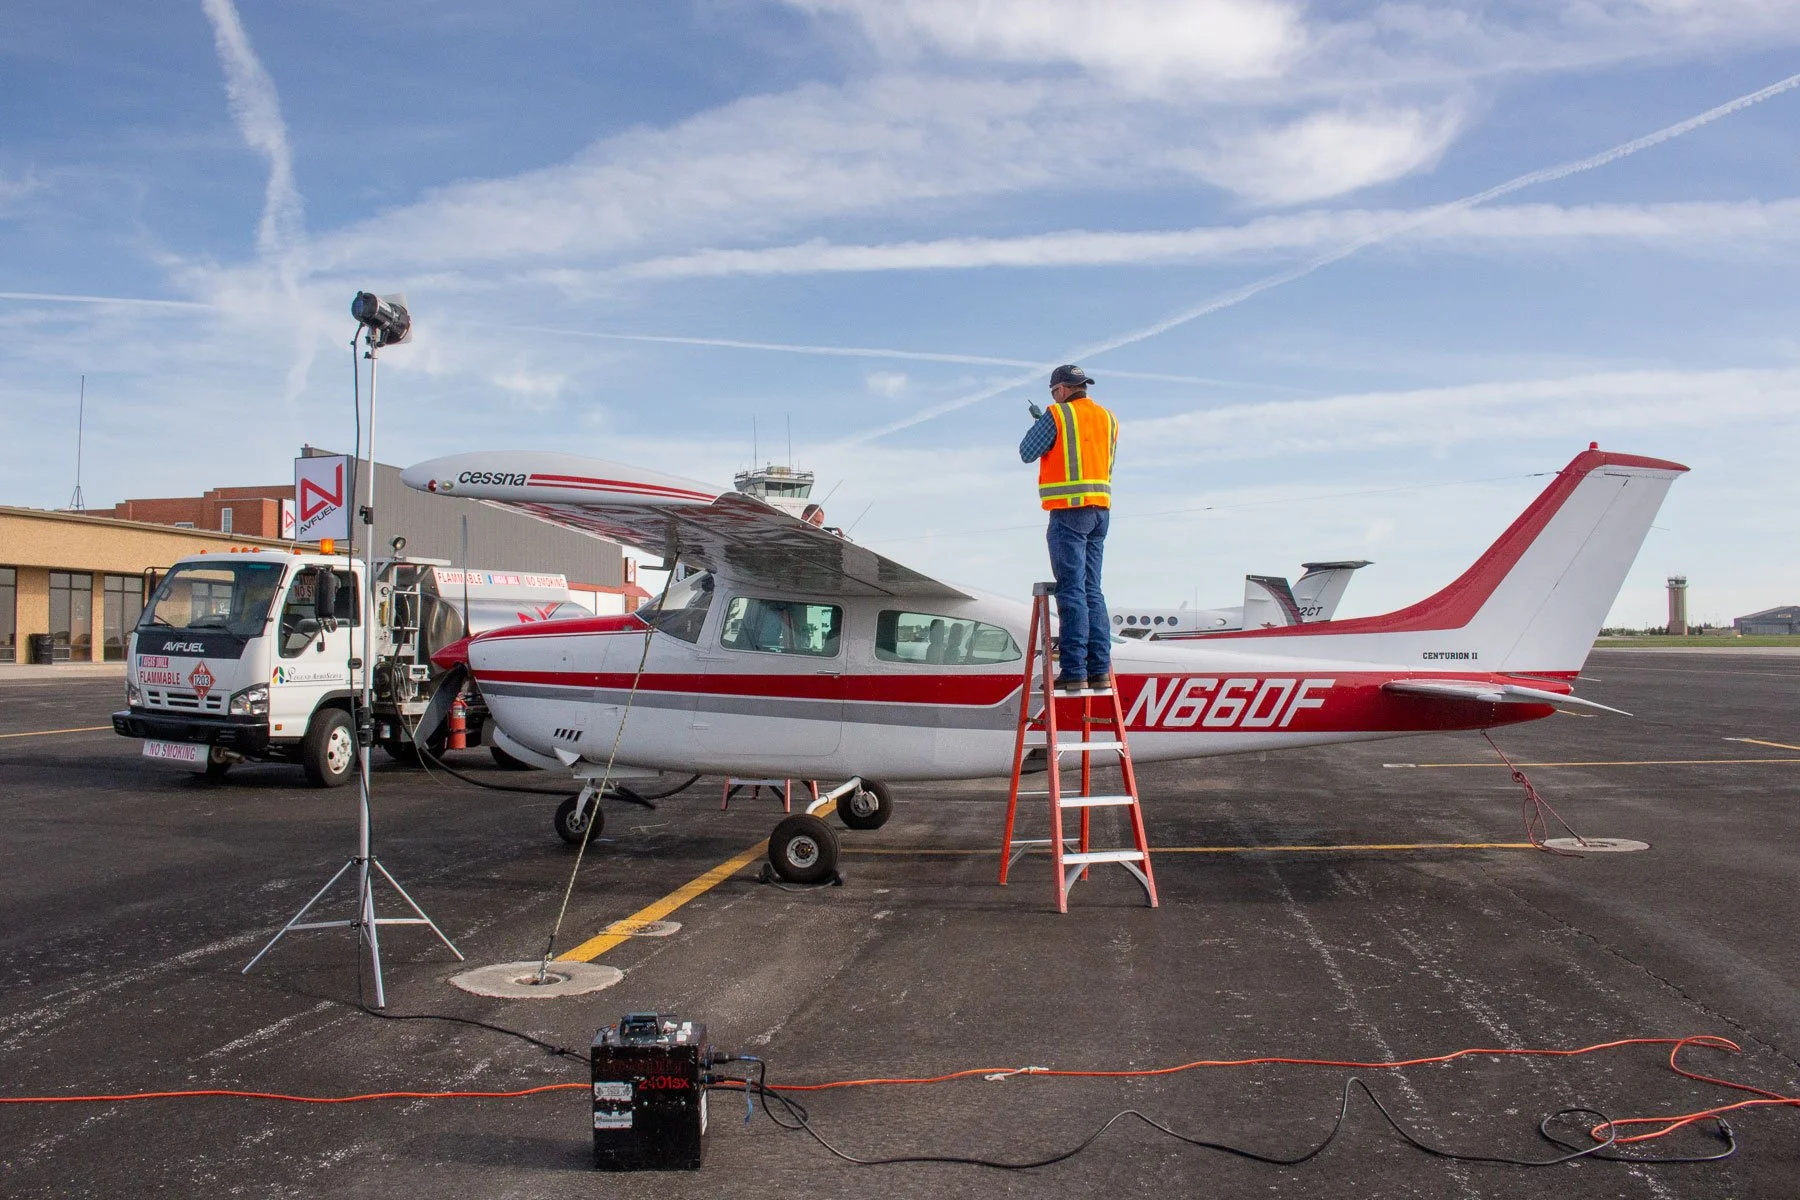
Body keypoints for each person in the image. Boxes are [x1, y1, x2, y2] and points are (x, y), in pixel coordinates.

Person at [1019, 364, 1118, 692]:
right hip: (1100, 512)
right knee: (1093, 589)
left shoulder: (1057, 416)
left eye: (1054, 393)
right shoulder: (1108, 418)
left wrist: (1043, 424)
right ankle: (1099, 669)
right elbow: (1094, 456)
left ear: (1061, 389)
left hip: (1068, 514)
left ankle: (1074, 670)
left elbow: (1026, 452)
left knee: (1072, 588)